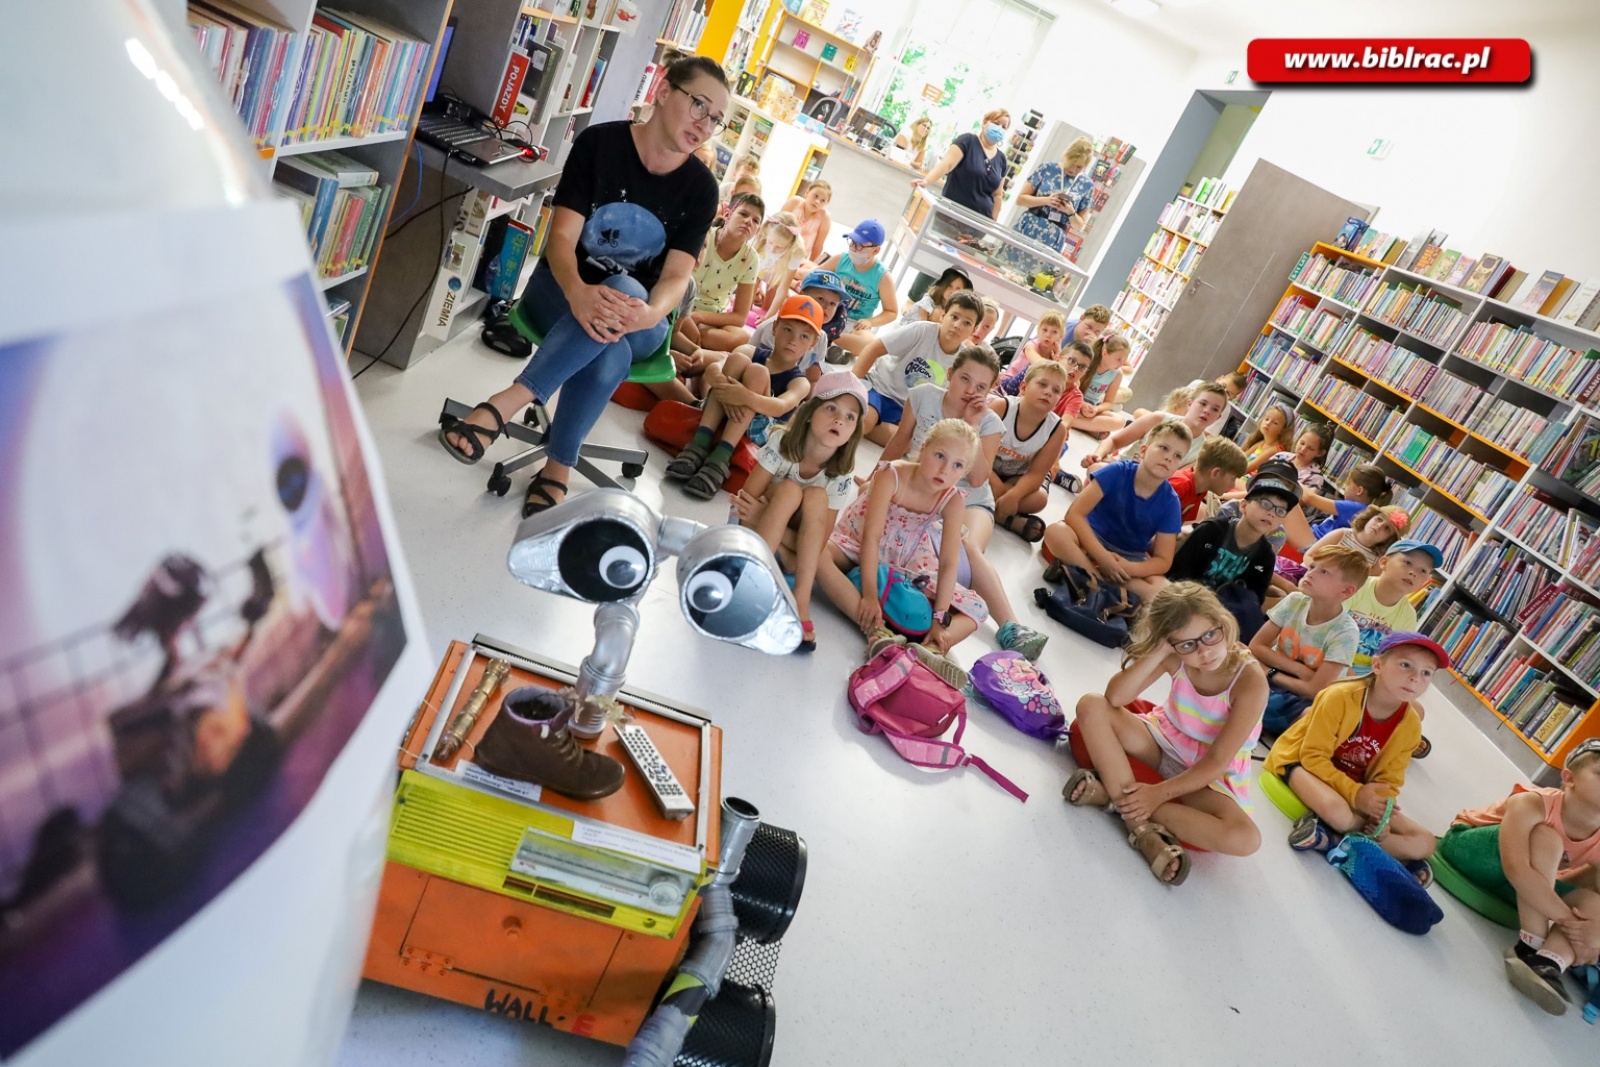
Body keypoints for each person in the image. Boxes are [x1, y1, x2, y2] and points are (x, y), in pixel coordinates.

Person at [437, 55, 724, 517]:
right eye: (699, 105)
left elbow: (675, 278)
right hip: (562, 292)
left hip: (641, 320)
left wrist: (650, 313)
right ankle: (558, 468)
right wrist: (577, 291)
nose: (705, 123)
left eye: (716, 118)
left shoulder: (701, 188)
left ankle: (506, 402)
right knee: (610, 348)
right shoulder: (599, 144)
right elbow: (563, 239)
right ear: (664, 91)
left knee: (628, 290)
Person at [1067, 582, 1269, 884]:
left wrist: (1156, 794)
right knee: (1091, 705)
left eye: (1210, 635)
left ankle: (1113, 797)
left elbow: (1215, 762)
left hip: (1209, 775)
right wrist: (1161, 649)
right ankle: (1142, 829)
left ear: (1223, 621)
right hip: (1163, 740)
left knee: (1245, 839)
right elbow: (1116, 698)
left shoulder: (1250, 681)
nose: (1204, 651)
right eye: (1187, 644)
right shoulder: (1175, 653)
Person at [882, 347, 1049, 659]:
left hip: (968, 500)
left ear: (989, 391)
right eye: (965, 379)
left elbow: (977, 478)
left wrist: (970, 423)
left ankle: (1012, 625)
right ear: (950, 375)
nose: (971, 391)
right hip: (920, 488)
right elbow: (901, 440)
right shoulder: (922, 396)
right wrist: (877, 476)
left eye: (981, 387)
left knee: (967, 547)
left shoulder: (988, 421)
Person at [1437, 739, 1600, 1016]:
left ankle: (1548, 963)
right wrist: (1571, 922)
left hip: (1527, 889)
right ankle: (1529, 944)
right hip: (1476, 854)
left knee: (1594, 902)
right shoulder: (1534, 802)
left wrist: (1592, 935)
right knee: (1547, 837)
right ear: (1568, 778)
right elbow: (1517, 869)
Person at [817, 418, 988, 680]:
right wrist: (870, 596)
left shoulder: (952, 500)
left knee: (977, 608)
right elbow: (871, 537)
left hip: (909, 559)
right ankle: (875, 629)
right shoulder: (892, 474)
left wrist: (939, 618)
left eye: (957, 465)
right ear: (923, 448)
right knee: (820, 556)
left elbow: (949, 563)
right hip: (860, 543)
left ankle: (932, 648)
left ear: (963, 473)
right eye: (939, 456)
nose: (944, 470)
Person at [1265, 631, 1442, 881]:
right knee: (1337, 810)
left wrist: (1382, 817)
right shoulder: (1339, 696)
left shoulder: (1411, 725)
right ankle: (1388, 854)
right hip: (1301, 764)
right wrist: (1357, 795)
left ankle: (1333, 839)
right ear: (1377, 664)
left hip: (1354, 785)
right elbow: (1312, 756)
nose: (1415, 678)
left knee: (1425, 842)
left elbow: (1389, 779)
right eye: (1405, 665)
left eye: (1427, 673)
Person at [734, 372, 868, 653]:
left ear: (852, 433)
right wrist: (760, 519)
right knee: (790, 490)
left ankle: (800, 601)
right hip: (750, 540)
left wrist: (768, 520)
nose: (839, 420)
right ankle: (749, 584)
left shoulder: (841, 474)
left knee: (817, 497)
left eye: (850, 417)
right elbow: (745, 505)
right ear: (809, 412)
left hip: (792, 556)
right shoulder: (781, 443)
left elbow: (817, 546)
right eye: (831, 408)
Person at [665, 294, 826, 499]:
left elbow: (779, 406)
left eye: (804, 336)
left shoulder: (800, 382)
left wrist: (744, 396)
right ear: (775, 328)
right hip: (724, 406)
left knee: (758, 373)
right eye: (788, 330)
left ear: (813, 343)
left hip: (761, 430)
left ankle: (720, 459)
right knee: (738, 359)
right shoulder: (749, 350)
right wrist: (725, 386)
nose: (793, 341)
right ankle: (698, 445)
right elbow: (714, 369)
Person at [1040, 418, 1189, 600]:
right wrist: (1103, 558)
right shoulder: (1117, 471)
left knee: (1164, 590)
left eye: (1177, 456)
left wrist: (1129, 568)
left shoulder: (1171, 502)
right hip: (1090, 539)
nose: (1169, 457)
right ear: (1144, 450)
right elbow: (1074, 514)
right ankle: (1100, 582)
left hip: (1129, 556)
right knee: (1056, 532)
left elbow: (1164, 560)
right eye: (1164, 448)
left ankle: (1083, 577)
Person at [1251, 543, 1367, 736]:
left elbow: (1315, 689)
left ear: (1346, 592)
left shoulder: (1346, 632)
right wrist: (1297, 669)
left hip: (1305, 696)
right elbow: (1256, 645)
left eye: (1324, 572)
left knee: (1312, 715)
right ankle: (1257, 710)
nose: (1310, 573)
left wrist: (1269, 672)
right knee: (1235, 660)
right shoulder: (1294, 600)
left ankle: (1255, 711)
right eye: (1312, 567)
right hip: (1281, 677)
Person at [1160, 460, 1299, 605]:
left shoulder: (1266, 557)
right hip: (1182, 597)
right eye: (1265, 504)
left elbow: (1252, 601)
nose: (1271, 513)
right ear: (1244, 505)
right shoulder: (1211, 530)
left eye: (1280, 510)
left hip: (1219, 614)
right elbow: (1177, 572)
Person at [854, 290, 984, 445]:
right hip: (882, 389)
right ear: (943, 316)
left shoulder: (963, 360)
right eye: (954, 317)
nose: (957, 325)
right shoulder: (922, 330)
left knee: (912, 443)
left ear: (974, 330)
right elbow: (874, 348)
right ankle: (864, 422)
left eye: (967, 323)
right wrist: (851, 383)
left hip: (909, 409)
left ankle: (868, 425)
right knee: (864, 422)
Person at [990, 362, 1070, 543]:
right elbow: (977, 453)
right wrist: (1000, 490)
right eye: (1042, 384)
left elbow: (1037, 474)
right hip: (987, 471)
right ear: (1024, 387)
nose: (1048, 391)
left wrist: (1014, 495)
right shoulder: (1001, 407)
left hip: (1017, 478)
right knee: (967, 474)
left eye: (1056, 390)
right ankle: (1005, 517)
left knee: (1039, 500)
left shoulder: (1057, 429)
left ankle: (989, 505)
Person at [677, 190, 764, 353]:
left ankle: (686, 341)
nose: (748, 222)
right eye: (743, 214)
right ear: (727, 214)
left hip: (710, 320)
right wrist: (687, 316)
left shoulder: (751, 259)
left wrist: (699, 317)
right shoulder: (703, 235)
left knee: (744, 339)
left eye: (755, 220)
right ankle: (690, 342)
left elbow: (739, 317)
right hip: (680, 305)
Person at [1269, 505, 1409, 602]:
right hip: (1305, 577)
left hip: (1335, 595)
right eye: (1379, 519)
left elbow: (1363, 586)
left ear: (1389, 539)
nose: (1379, 526)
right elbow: (1310, 555)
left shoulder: (1377, 561)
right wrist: (1322, 573)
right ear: (1370, 516)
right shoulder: (1342, 534)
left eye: (1387, 529)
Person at [1082, 382, 1229, 473]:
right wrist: (1098, 456)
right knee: (1096, 468)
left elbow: (1174, 482)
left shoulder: (1202, 452)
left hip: (1149, 490)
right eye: (1202, 404)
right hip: (1121, 468)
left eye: (1215, 409)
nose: (1207, 411)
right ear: (1190, 404)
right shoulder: (1159, 418)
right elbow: (1114, 441)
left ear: (1218, 418)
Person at [1346, 539, 1439, 676]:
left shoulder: (1408, 616)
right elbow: (1324, 626)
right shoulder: (1356, 586)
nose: (1413, 573)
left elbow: (1391, 661)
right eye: (1407, 563)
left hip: (1362, 677)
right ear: (1384, 563)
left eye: (1423, 571)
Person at [911, 108, 1010, 219]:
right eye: (996, 123)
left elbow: (997, 195)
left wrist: (992, 223)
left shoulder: (1002, 159)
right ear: (985, 122)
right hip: (951, 214)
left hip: (979, 222)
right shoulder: (967, 141)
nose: (999, 128)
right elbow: (946, 164)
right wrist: (926, 181)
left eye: (1004, 127)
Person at [822, 220, 899, 355]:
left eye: (860, 246)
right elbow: (815, 276)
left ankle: (824, 340)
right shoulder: (841, 259)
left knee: (869, 344)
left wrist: (870, 322)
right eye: (852, 242)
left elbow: (892, 312)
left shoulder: (883, 277)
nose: (853, 248)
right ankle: (831, 345)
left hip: (855, 324)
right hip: (829, 313)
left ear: (876, 250)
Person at [1012, 136, 1095, 254]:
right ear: (1067, 156)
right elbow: (1021, 200)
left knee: (1037, 273)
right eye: (1072, 163)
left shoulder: (1087, 185)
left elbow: (1079, 225)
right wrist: (1046, 200)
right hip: (1028, 226)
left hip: (1053, 239)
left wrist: (1070, 212)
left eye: (1079, 167)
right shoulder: (1047, 168)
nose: (1073, 169)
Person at [1167, 436, 1249, 524]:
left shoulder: (1200, 491)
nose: (1233, 485)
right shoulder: (1180, 486)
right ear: (1216, 473)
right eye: (1233, 479)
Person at [747, 211, 808, 324]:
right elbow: (747, 273)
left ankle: (766, 307)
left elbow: (783, 288)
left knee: (769, 305)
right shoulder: (760, 236)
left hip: (778, 272)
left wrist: (768, 317)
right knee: (750, 293)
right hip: (759, 268)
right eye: (770, 243)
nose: (773, 249)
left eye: (779, 247)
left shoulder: (796, 251)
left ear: (789, 244)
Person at [1071, 333, 1133, 436]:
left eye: (1124, 360)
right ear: (1104, 353)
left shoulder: (1118, 374)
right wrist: (1083, 404)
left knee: (1120, 421)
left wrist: (1096, 409)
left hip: (1092, 407)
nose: (1121, 364)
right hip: (1075, 401)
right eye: (1118, 359)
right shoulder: (1088, 362)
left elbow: (1108, 402)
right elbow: (1071, 388)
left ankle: (1074, 422)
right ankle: (1090, 428)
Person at [997, 311, 1064, 394]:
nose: (1048, 335)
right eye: (1045, 330)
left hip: (1028, 389)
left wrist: (1058, 356)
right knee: (1031, 369)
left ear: (1060, 336)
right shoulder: (1031, 345)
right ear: (1039, 330)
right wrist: (1056, 363)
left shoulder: (1055, 353)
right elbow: (1040, 365)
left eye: (1054, 332)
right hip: (1008, 384)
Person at [782, 178, 833, 263]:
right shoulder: (794, 202)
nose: (817, 201)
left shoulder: (825, 218)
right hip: (778, 250)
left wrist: (811, 267)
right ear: (807, 192)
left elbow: (818, 246)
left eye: (822, 200)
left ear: (826, 204)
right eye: (815, 196)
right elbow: (776, 224)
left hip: (798, 260)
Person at [900, 267, 972, 324]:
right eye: (949, 286)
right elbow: (921, 329)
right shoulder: (928, 302)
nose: (952, 291)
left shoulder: (955, 311)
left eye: (958, 289)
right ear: (943, 284)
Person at [1242, 403, 1295, 473]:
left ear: (1282, 430)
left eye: (1275, 423)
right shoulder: (1262, 443)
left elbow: (1247, 468)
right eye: (1267, 419)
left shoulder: (1276, 450)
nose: (1268, 423)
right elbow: (1241, 458)